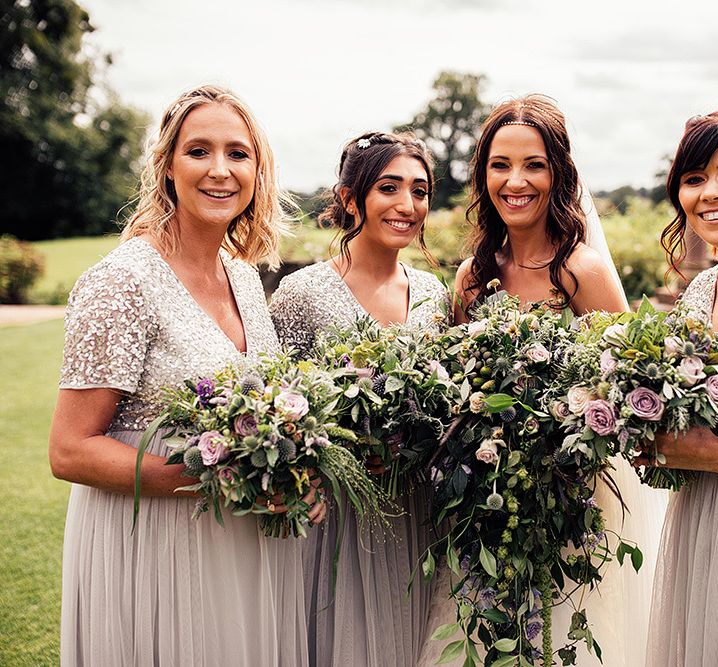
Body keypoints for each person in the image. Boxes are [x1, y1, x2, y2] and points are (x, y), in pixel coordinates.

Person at [48, 85, 324, 666]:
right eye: (199, 151)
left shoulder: (245, 278)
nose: (220, 170)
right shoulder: (121, 282)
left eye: (238, 153)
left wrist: (292, 475)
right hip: (154, 548)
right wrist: (218, 478)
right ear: (167, 167)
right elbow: (70, 451)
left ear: (259, 170)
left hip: (243, 548)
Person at [422, 95, 667, 666]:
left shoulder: (583, 271)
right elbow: (459, 394)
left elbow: (629, 391)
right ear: (483, 176)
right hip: (485, 512)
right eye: (500, 165)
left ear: (557, 174)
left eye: (533, 164)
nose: (516, 181)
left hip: (571, 508)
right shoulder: (474, 276)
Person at [269, 131, 449, 666]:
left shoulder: (435, 295)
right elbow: (282, 411)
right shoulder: (301, 295)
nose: (407, 205)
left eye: (420, 191)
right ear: (350, 198)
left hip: (418, 510)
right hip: (338, 519)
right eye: (388, 188)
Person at [643, 111, 718, 667]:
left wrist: (716, 456)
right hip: (699, 521)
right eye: (694, 178)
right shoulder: (700, 291)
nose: (710, 192)